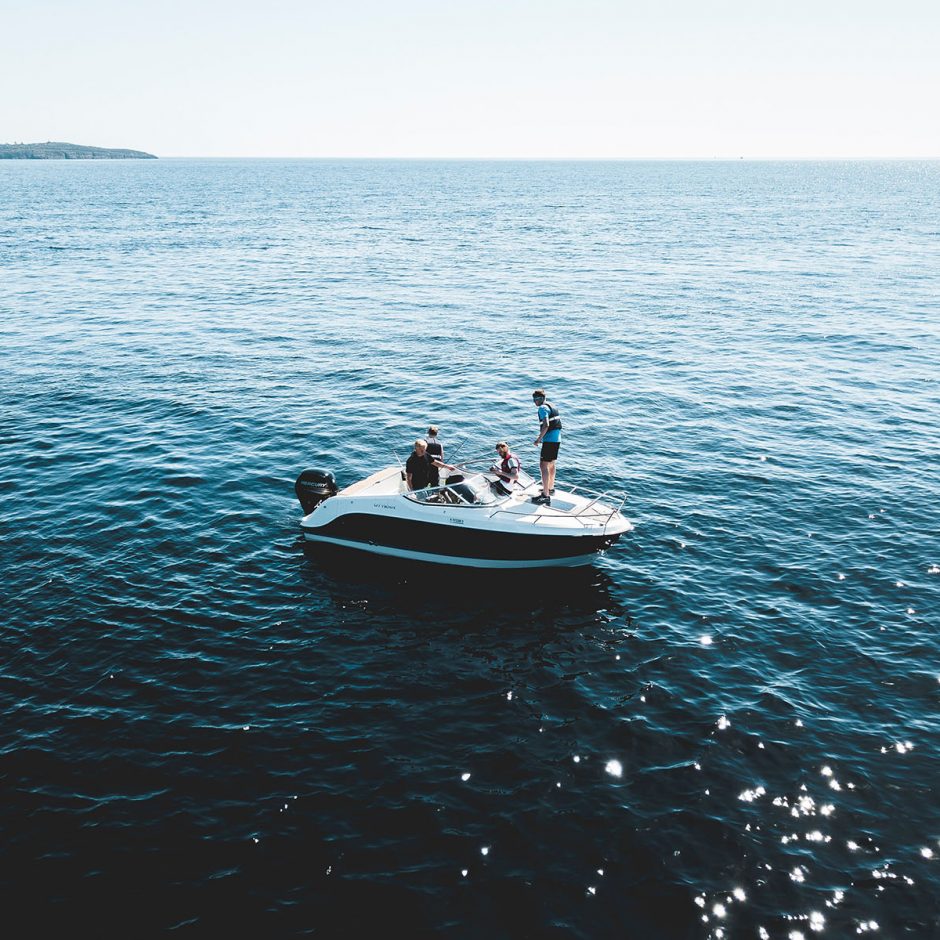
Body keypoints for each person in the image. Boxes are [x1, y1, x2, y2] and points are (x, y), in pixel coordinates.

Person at [531, 388, 562, 505]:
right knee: (551, 464)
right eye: (534, 399)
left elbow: (546, 425)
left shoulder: (542, 408)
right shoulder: (551, 405)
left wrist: (538, 439)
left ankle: (545, 495)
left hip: (549, 441)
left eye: (537, 399)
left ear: (542, 398)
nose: (535, 401)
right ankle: (550, 488)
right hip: (557, 439)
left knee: (543, 465)